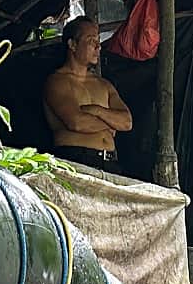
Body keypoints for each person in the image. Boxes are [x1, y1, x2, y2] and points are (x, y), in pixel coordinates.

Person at [43, 15, 132, 169]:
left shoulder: (104, 84)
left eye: (98, 41)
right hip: (76, 159)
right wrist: (111, 124)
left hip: (110, 161)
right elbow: (77, 123)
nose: (98, 47)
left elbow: (126, 122)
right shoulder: (57, 81)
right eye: (91, 41)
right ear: (72, 44)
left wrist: (95, 110)